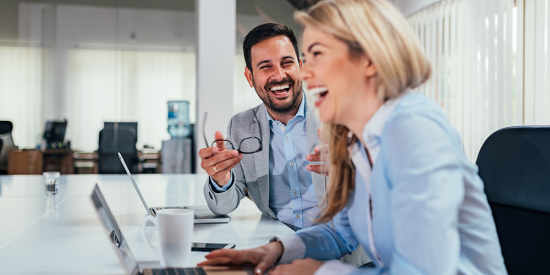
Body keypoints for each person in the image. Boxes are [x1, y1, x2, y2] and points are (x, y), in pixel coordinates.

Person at [197, 0, 508, 275]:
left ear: (369, 60)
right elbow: (341, 232)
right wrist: (276, 250)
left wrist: (322, 272)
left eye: (317, 54)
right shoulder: (360, 139)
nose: (306, 73)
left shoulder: (413, 128)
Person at [198, 23, 369, 266]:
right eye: (266, 67)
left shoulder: (341, 114)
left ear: (301, 66)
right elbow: (225, 205)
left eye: (286, 63)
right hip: (280, 249)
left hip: (347, 257)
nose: (279, 75)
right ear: (250, 76)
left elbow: (383, 190)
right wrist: (221, 179)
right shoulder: (241, 125)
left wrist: (354, 167)